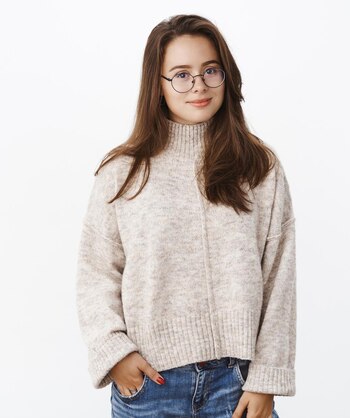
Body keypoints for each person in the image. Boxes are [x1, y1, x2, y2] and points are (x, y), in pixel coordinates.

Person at [75, 14, 296, 418]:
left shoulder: (259, 167)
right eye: (180, 74)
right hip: (149, 387)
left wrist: (268, 378)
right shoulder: (123, 172)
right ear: (157, 86)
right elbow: (96, 272)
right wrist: (113, 352)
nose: (198, 85)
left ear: (226, 76)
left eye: (210, 71)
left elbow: (278, 278)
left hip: (239, 388)